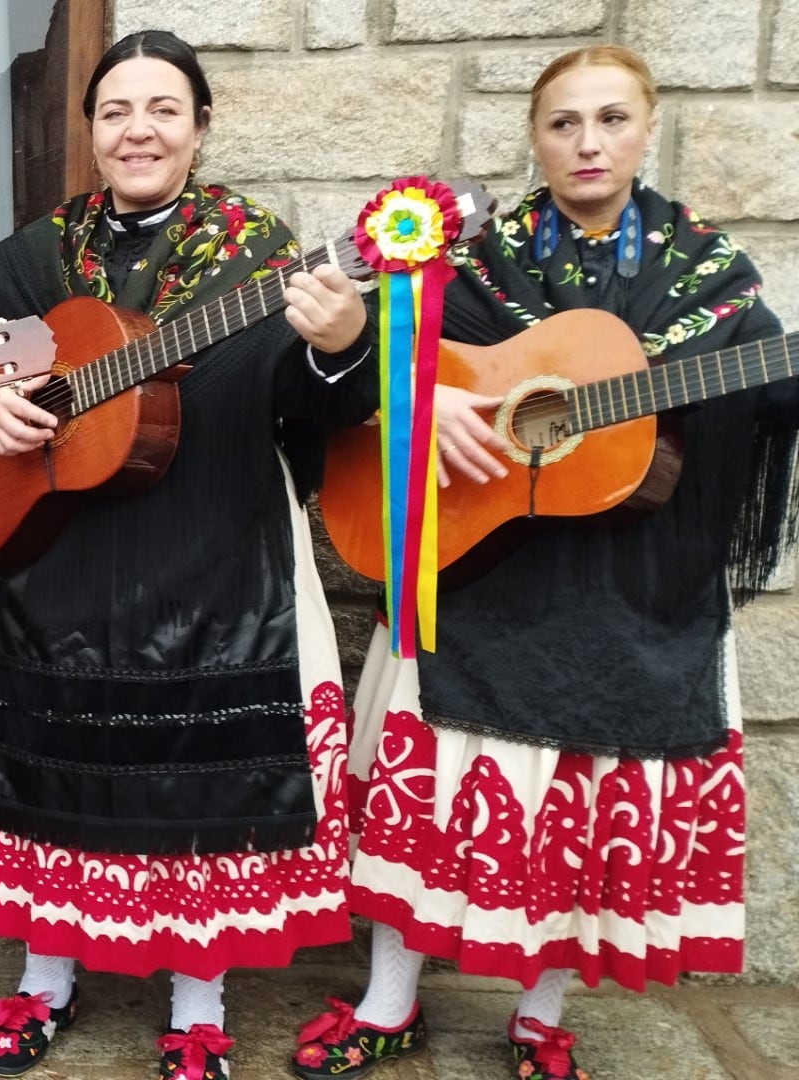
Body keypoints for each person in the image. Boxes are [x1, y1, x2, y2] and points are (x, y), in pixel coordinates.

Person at [290, 45, 793, 1080]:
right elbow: (378, 368)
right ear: (534, 138)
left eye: (611, 119)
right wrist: (421, 411)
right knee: (426, 796)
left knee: (578, 800)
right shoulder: (477, 258)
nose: (588, 142)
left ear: (647, 128)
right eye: (564, 123)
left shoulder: (707, 273)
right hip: (483, 573)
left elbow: (768, 389)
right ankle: (389, 1004)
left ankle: (538, 1016)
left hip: (633, 588)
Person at [0, 30, 378, 1080]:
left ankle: (197, 1004)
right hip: (60, 561)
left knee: (199, 794)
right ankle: (43, 982)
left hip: (213, 556)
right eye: (116, 111)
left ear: (201, 126)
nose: (138, 130)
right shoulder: (47, 252)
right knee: (54, 776)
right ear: (93, 131)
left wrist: (341, 345)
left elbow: (316, 408)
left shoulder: (259, 252)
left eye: (163, 109)